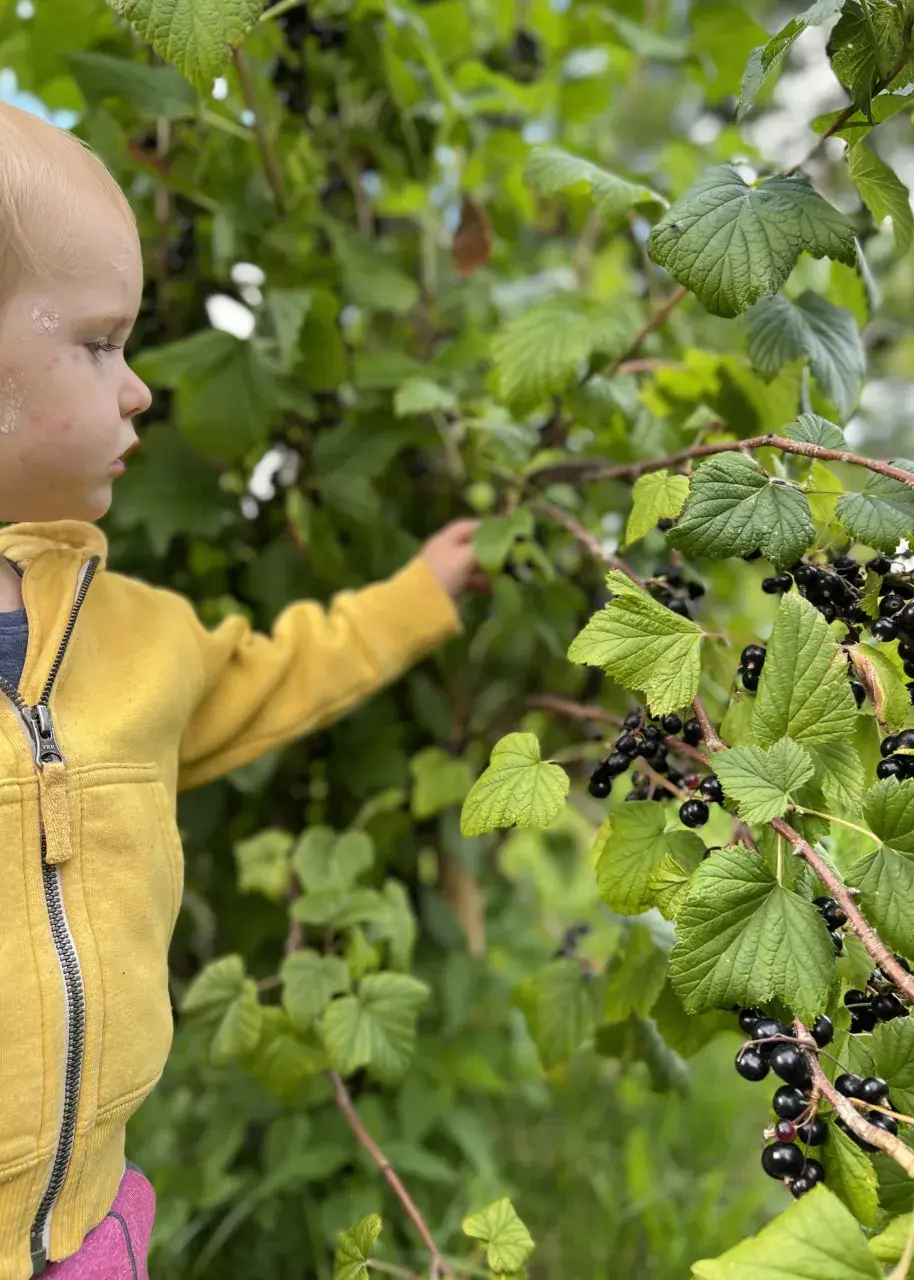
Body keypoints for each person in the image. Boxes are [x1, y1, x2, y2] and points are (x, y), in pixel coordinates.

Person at [0, 101, 488, 1280]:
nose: (140, 392)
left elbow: (278, 674)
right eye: (101, 343)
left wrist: (419, 596)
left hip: (87, 1229)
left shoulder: (142, 638)